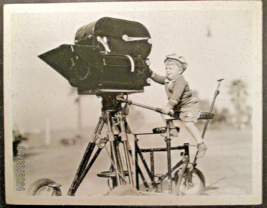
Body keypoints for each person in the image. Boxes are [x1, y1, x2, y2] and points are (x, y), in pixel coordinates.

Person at [149, 53, 207, 158]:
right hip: (177, 107)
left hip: (188, 106)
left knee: (188, 123)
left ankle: (201, 144)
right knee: (163, 113)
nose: (167, 70)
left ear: (179, 71)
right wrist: (148, 71)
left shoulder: (180, 81)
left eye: (171, 68)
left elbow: (176, 96)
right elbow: (157, 78)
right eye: (166, 68)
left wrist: (169, 106)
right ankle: (172, 130)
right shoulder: (168, 80)